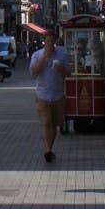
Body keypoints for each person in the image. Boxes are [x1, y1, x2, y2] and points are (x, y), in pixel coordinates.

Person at [29, 29, 69, 163]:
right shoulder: (37, 55)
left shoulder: (62, 55)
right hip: (42, 95)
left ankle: (49, 148)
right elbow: (33, 72)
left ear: (55, 42)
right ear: (44, 42)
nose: (50, 44)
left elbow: (68, 74)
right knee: (45, 123)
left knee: (54, 124)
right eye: (47, 41)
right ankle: (47, 150)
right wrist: (43, 58)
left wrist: (61, 70)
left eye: (52, 41)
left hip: (58, 95)